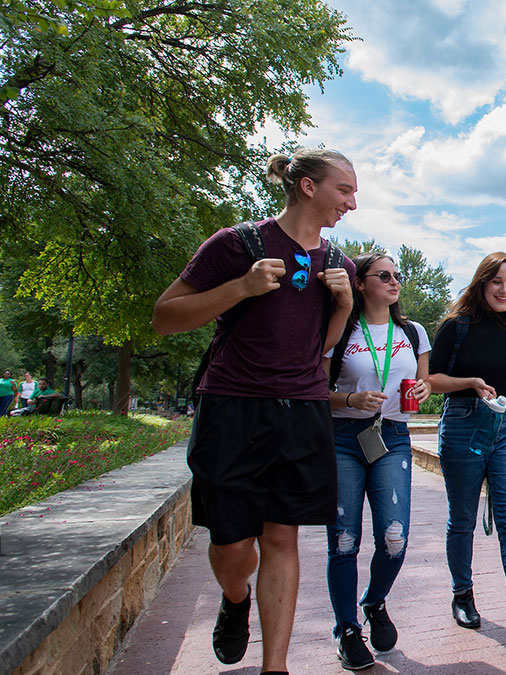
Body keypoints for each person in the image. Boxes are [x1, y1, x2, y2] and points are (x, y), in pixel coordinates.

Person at [151, 148, 357, 674]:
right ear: (308, 187)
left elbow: (322, 349)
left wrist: (345, 306)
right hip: (234, 407)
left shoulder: (340, 265)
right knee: (231, 543)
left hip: (303, 409)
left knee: (282, 535)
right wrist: (240, 287)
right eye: (345, 190)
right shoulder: (238, 244)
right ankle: (235, 597)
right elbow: (165, 317)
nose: (352, 203)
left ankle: (277, 667)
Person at [427, 252, 506, 644]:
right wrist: (470, 382)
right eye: (497, 282)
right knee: (462, 517)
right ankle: (462, 594)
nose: (504, 290)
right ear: (482, 283)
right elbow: (432, 379)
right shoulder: (456, 325)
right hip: (464, 421)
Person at [321, 252, 431, 669]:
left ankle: (374, 601)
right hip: (344, 437)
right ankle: (347, 629)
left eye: (396, 275)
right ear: (360, 283)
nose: (393, 280)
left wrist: (422, 392)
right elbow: (314, 386)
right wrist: (350, 399)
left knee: (394, 537)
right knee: (344, 540)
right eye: (383, 275)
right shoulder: (341, 330)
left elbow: (423, 383)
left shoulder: (414, 331)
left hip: (393, 438)